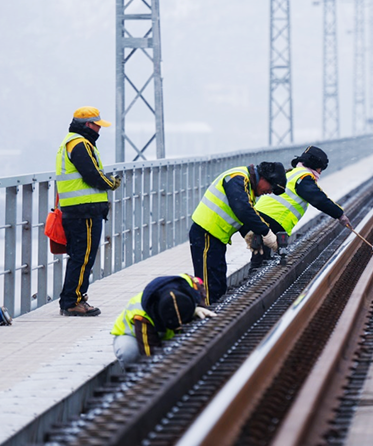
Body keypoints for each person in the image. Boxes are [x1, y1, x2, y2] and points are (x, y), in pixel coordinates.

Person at [189, 162, 287, 304]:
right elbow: (241, 209)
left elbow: (237, 213)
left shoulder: (246, 186)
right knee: (209, 285)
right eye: (271, 187)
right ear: (264, 178)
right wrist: (267, 233)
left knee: (219, 282)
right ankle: (205, 317)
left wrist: (249, 234)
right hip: (205, 235)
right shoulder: (237, 177)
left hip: (215, 238)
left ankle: (215, 314)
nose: (270, 191)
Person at [55, 106, 121, 317]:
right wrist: (111, 183)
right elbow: (91, 174)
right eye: (97, 126)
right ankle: (73, 301)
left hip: (77, 210)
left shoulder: (72, 142)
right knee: (83, 257)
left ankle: (72, 298)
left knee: (79, 256)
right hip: (84, 212)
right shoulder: (80, 144)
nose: (99, 130)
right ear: (87, 125)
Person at [253, 146, 350, 269]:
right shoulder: (304, 178)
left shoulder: (290, 173)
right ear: (316, 166)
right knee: (264, 257)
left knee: (260, 253)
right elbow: (319, 199)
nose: (320, 172)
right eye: (321, 168)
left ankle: (256, 274)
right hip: (274, 219)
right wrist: (339, 214)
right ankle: (258, 275)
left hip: (258, 215)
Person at [110, 273, 217, 368]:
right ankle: (132, 377)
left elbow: (200, 287)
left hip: (165, 330)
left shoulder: (189, 283)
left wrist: (197, 307)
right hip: (134, 335)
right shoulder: (141, 315)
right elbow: (149, 354)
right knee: (128, 352)